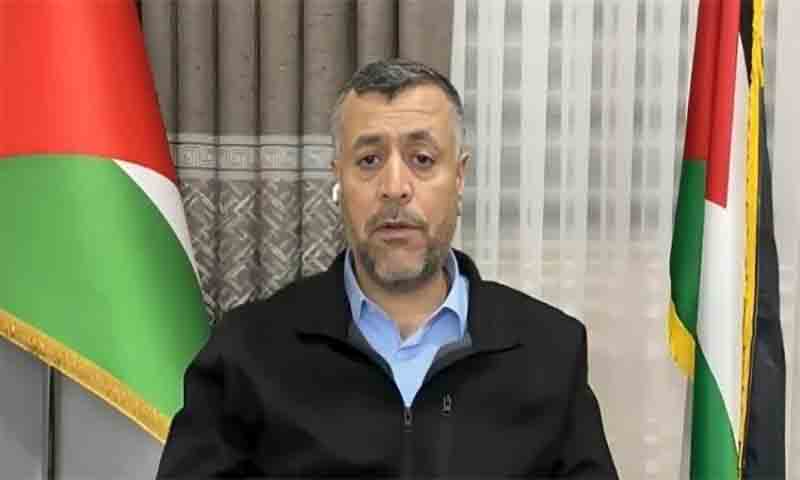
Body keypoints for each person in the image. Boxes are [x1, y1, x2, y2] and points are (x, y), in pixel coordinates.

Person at [157, 58, 618, 478]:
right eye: (369, 161)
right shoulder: (249, 350)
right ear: (338, 177)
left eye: (422, 160)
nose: (395, 187)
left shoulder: (549, 351)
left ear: (459, 177)